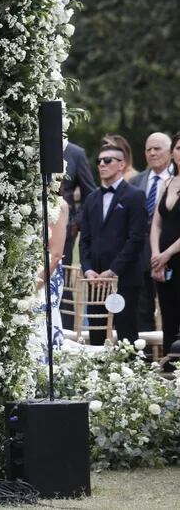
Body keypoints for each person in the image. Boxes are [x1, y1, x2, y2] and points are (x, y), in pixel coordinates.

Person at [79, 144, 147, 345]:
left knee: (127, 334)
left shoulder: (135, 196)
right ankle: (95, 376)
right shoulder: (91, 198)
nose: (101, 164)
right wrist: (88, 269)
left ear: (121, 165)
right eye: (99, 161)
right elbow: (85, 240)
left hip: (124, 279)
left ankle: (128, 375)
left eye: (107, 160)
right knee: (96, 336)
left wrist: (114, 270)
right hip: (96, 280)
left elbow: (136, 239)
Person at [129, 133, 172, 332]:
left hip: (170, 251)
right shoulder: (136, 181)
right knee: (141, 310)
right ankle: (144, 358)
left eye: (157, 148)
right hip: (139, 256)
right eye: (148, 149)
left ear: (170, 152)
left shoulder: (175, 181)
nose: (152, 153)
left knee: (170, 309)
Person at [150, 133, 180, 354]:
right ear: (173, 153)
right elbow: (156, 224)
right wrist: (156, 256)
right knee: (167, 313)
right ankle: (169, 368)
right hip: (163, 262)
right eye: (178, 148)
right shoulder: (168, 182)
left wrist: (167, 254)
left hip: (174, 256)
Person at [37, 200, 69, 351]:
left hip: (48, 270)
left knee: (47, 316)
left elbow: (56, 255)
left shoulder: (57, 206)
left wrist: (37, 282)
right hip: (29, 269)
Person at [61, 140, 96, 266]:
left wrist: (76, 221)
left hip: (64, 228)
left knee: (61, 277)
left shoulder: (75, 153)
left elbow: (90, 193)